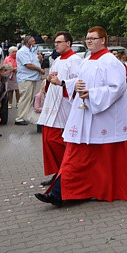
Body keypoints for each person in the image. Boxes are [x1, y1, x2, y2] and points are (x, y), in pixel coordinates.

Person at [35, 26, 127, 207]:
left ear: (103, 40)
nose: (89, 41)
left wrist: (92, 94)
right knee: (75, 156)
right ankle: (62, 192)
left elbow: (117, 88)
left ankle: (61, 193)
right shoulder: (88, 59)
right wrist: (64, 83)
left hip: (101, 118)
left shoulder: (110, 61)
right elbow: (81, 81)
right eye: (87, 38)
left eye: (93, 38)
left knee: (80, 157)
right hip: (85, 115)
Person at [37, 32, 83, 186]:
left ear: (68, 43)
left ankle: (66, 173)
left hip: (65, 105)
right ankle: (58, 172)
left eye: (59, 42)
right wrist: (49, 81)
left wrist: (62, 82)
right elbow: (51, 78)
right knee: (48, 138)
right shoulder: (57, 60)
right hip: (52, 104)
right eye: (55, 42)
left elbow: (79, 82)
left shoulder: (75, 60)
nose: (56, 45)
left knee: (58, 140)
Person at [14, 35, 44, 126]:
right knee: (25, 98)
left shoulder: (32, 51)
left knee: (30, 99)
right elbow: (28, 65)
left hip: (32, 78)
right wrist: (40, 70)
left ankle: (26, 116)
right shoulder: (23, 52)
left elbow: (36, 63)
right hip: (26, 78)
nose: (34, 42)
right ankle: (19, 118)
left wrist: (40, 59)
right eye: (33, 40)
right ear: (27, 42)